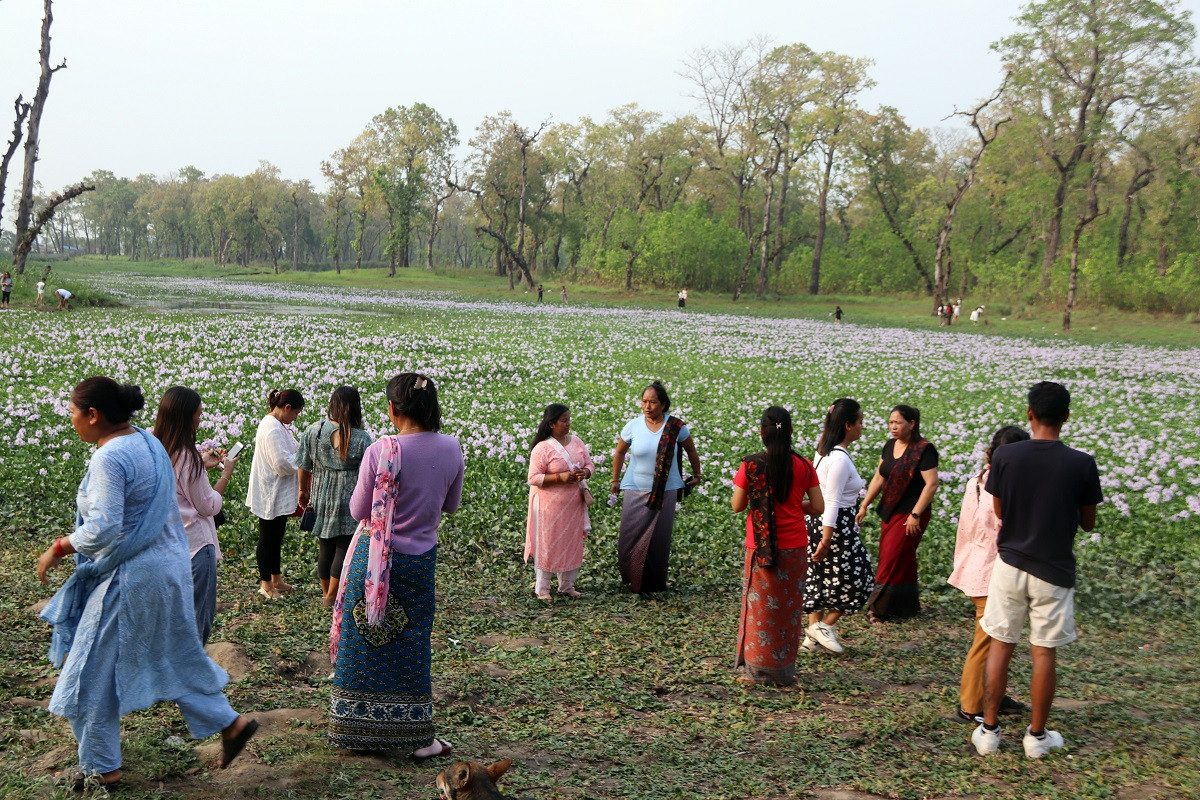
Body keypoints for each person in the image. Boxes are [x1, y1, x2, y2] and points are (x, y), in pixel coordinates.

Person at [36, 377, 257, 789]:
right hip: (170, 570)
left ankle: (103, 768)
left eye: (72, 412)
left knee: (88, 673)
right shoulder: (146, 442)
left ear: (93, 415)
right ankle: (230, 724)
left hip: (131, 578)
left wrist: (59, 547)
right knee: (172, 652)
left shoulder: (110, 458)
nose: (70, 420)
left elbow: (103, 528)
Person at [328, 372, 464, 758]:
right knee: (411, 643)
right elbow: (450, 505)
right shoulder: (452, 448)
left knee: (364, 641)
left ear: (392, 409)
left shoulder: (381, 450)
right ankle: (418, 739)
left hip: (374, 564)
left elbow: (358, 510)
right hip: (419, 563)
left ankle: (354, 730)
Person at [972, 382, 1102, 759]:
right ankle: (1037, 737)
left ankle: (990, 730)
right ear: (1066, 416)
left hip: (1010, 564)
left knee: (1001, 643)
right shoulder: (1082, 463)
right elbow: (1089, 523)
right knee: (1044, 653)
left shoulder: (1007, 456)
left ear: (1030, 414)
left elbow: (999, 511)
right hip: (1054, 570)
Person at [731, 406, 823, 685]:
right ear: (791, 432)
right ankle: (784, 672)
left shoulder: (751, 465)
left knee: (760, 611)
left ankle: (757, 672)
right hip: (794, 548)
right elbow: (818, 506)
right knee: (788, 609)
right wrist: (794, 506)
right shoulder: (804, 465)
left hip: (761, 547)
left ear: (762, 433)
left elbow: (737, 506)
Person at [948, 425, 1031, 725]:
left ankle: (993, 695)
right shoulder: (1008, 487)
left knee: (994, 640)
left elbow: (967, 530)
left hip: (975, 567)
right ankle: (970, 707)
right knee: (986, 642)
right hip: (995, 572)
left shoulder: (977, 482)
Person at [152, 386, 241, 645]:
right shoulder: (186, 456)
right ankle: (190, 679)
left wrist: (202, 463)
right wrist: (226, 473)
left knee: (171, 622)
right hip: (194, 548)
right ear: (187, 417)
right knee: (196, 623)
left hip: (165, 548)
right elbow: (209, 506)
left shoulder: (156, 448)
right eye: (198, 414)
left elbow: (175, 480)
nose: (200, 420)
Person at [610, 381, 702, 593]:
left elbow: (692, 452)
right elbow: (620, 453)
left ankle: (653, 583)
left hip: (665, 490)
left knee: (658, 538)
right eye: (644, 402)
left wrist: (697, 475)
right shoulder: (633, 425)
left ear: (663, 404)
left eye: (653, 402)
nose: (647, 407)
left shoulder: (676, 427)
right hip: (635, 488)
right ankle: (631, 578)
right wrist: (616, 480)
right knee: (629, 537)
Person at [856, 405, 939, 623]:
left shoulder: (923, 450)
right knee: (903, 558)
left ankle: (877, 608)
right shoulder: (890, 445)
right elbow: (879, 477)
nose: (893, 427)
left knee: (891, 557)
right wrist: (865, 504)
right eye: (891, 422)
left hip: (911, 513)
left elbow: (931, 484)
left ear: (912, 424)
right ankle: (905, 607)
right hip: (891, 510)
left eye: (898, 422)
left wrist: (916, 514)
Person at [803, 399, 874, 654]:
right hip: (833, 525)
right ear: (848, 425)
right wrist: (826, 539)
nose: (862, 427)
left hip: (817, 522)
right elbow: (831, 501)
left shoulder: (823, 451)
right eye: (860, 422)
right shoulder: (840, 459)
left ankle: (812, 639)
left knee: (819, 579)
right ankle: (823, 627)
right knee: (861, 576)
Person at [297, 386, 373, 607]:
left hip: (320, 494)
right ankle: (332, 595)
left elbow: (303, 464)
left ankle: (326, 593)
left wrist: (303, 490)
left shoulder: (314, 431)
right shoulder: (361, 438)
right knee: (343, 546)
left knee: (325, 546)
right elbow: (369, 473)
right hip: (349, 498)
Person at [525, 403, 595, 600]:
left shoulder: (577, 442)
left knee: (571, 542)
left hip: (573, 505)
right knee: (548, 544)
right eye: (564, 420)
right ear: (552, 424)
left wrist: (585, 472)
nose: (568, 424)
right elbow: (534, 478)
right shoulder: (542, 448)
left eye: (569, 420)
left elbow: (590, 464)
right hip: (549, 508)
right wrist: (560, 478)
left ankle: (566, 585)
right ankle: (543, 589)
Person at [246, 388, 305, 600]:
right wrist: (303, 462)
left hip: (277, 491)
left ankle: (276, 579)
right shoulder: (271, 427)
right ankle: (266, 585)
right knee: (267, 538)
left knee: (276, 536)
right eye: (296, 413)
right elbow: (281, 464)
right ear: (286, 408)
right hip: (269, 491)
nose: (295, 418)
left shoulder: (278, 425)